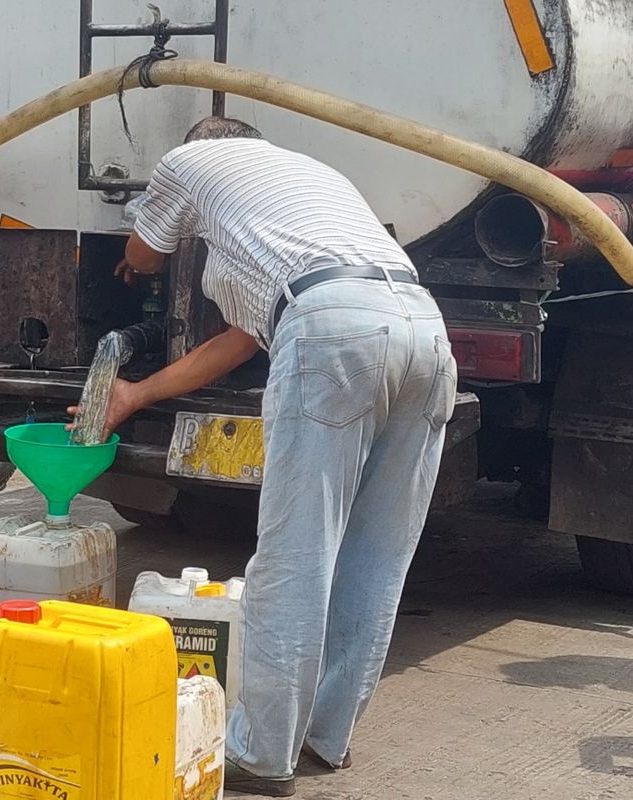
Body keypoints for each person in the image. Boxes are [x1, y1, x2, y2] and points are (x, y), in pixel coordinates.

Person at [83, 116, 457, 796]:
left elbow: (143, 250)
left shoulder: (189, 161)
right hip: (425, 333)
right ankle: (325, 738)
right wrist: (133, 396)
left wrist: (133, 266)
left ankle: (261, 753)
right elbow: (235, 342)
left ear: (203, 144)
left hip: (332, 329)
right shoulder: (301, 187)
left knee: (295, 553)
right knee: (377, 554)